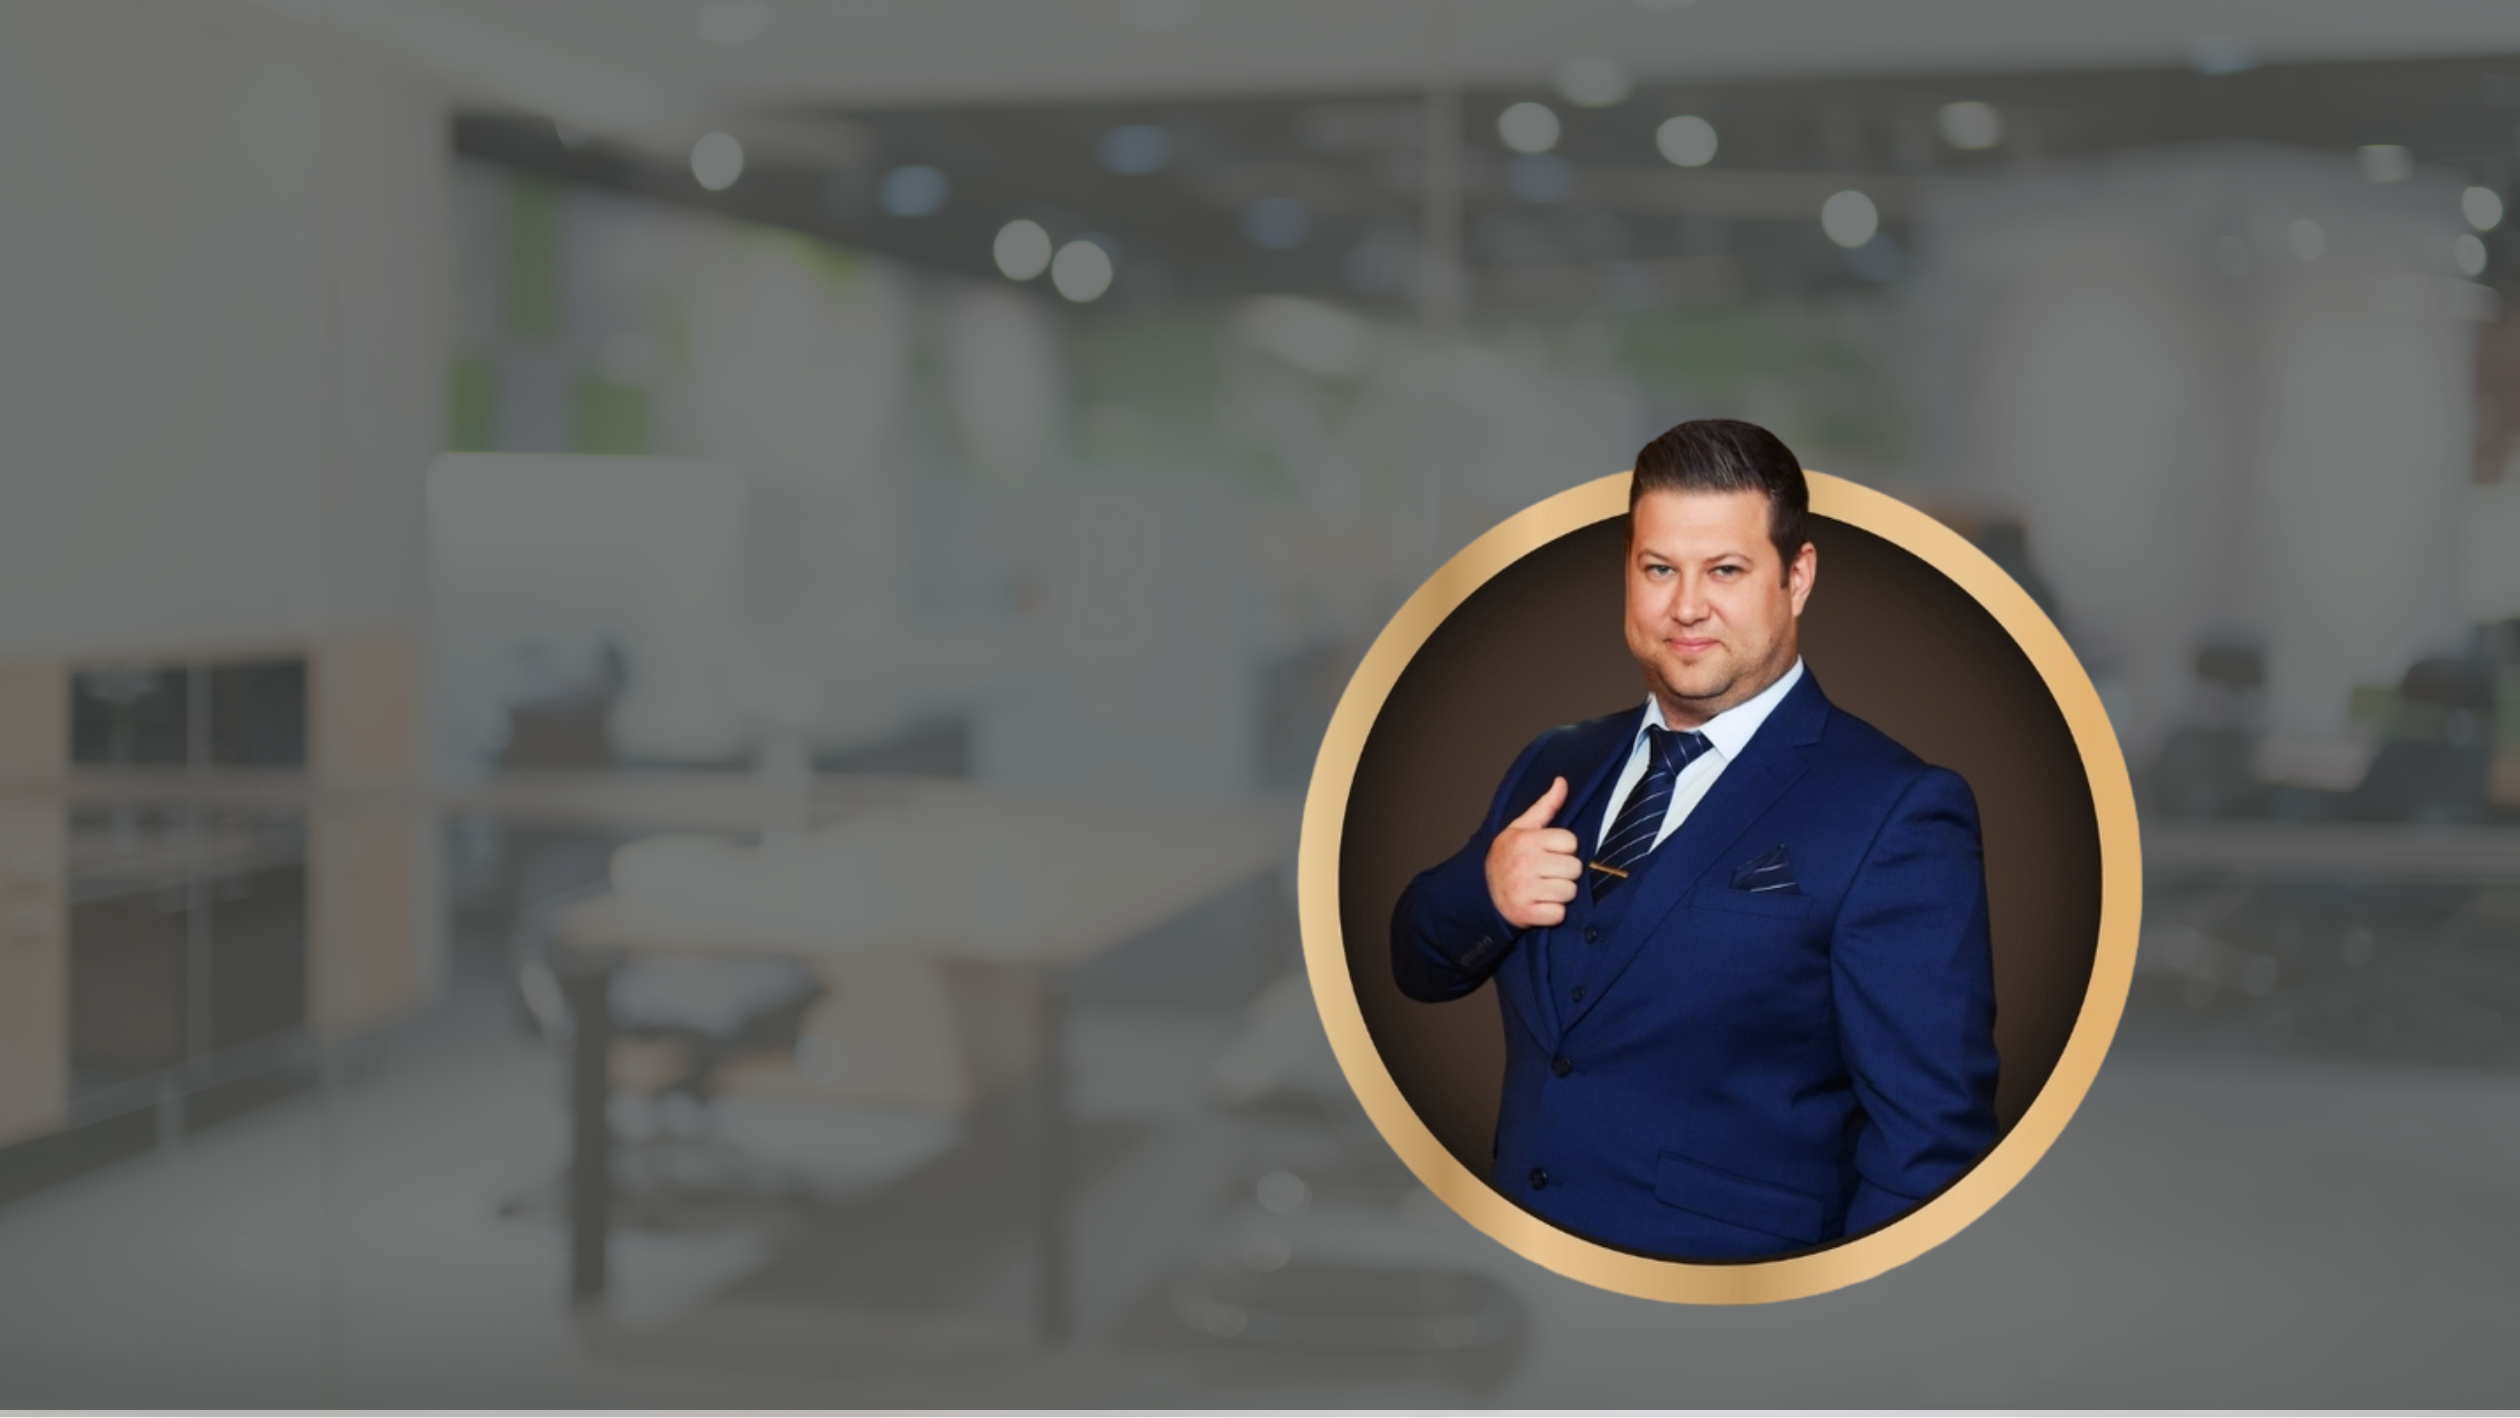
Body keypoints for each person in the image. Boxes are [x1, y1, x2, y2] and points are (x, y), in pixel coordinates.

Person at [1391, 418, 1999, 1261]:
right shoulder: (1560, 758)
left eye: (1725, 570)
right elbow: (1414, 962)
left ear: (1797, 577)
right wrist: (1486, 891)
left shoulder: (1897, 809)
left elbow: (1932, 1148)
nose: (1685, 606)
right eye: (1659, 569)